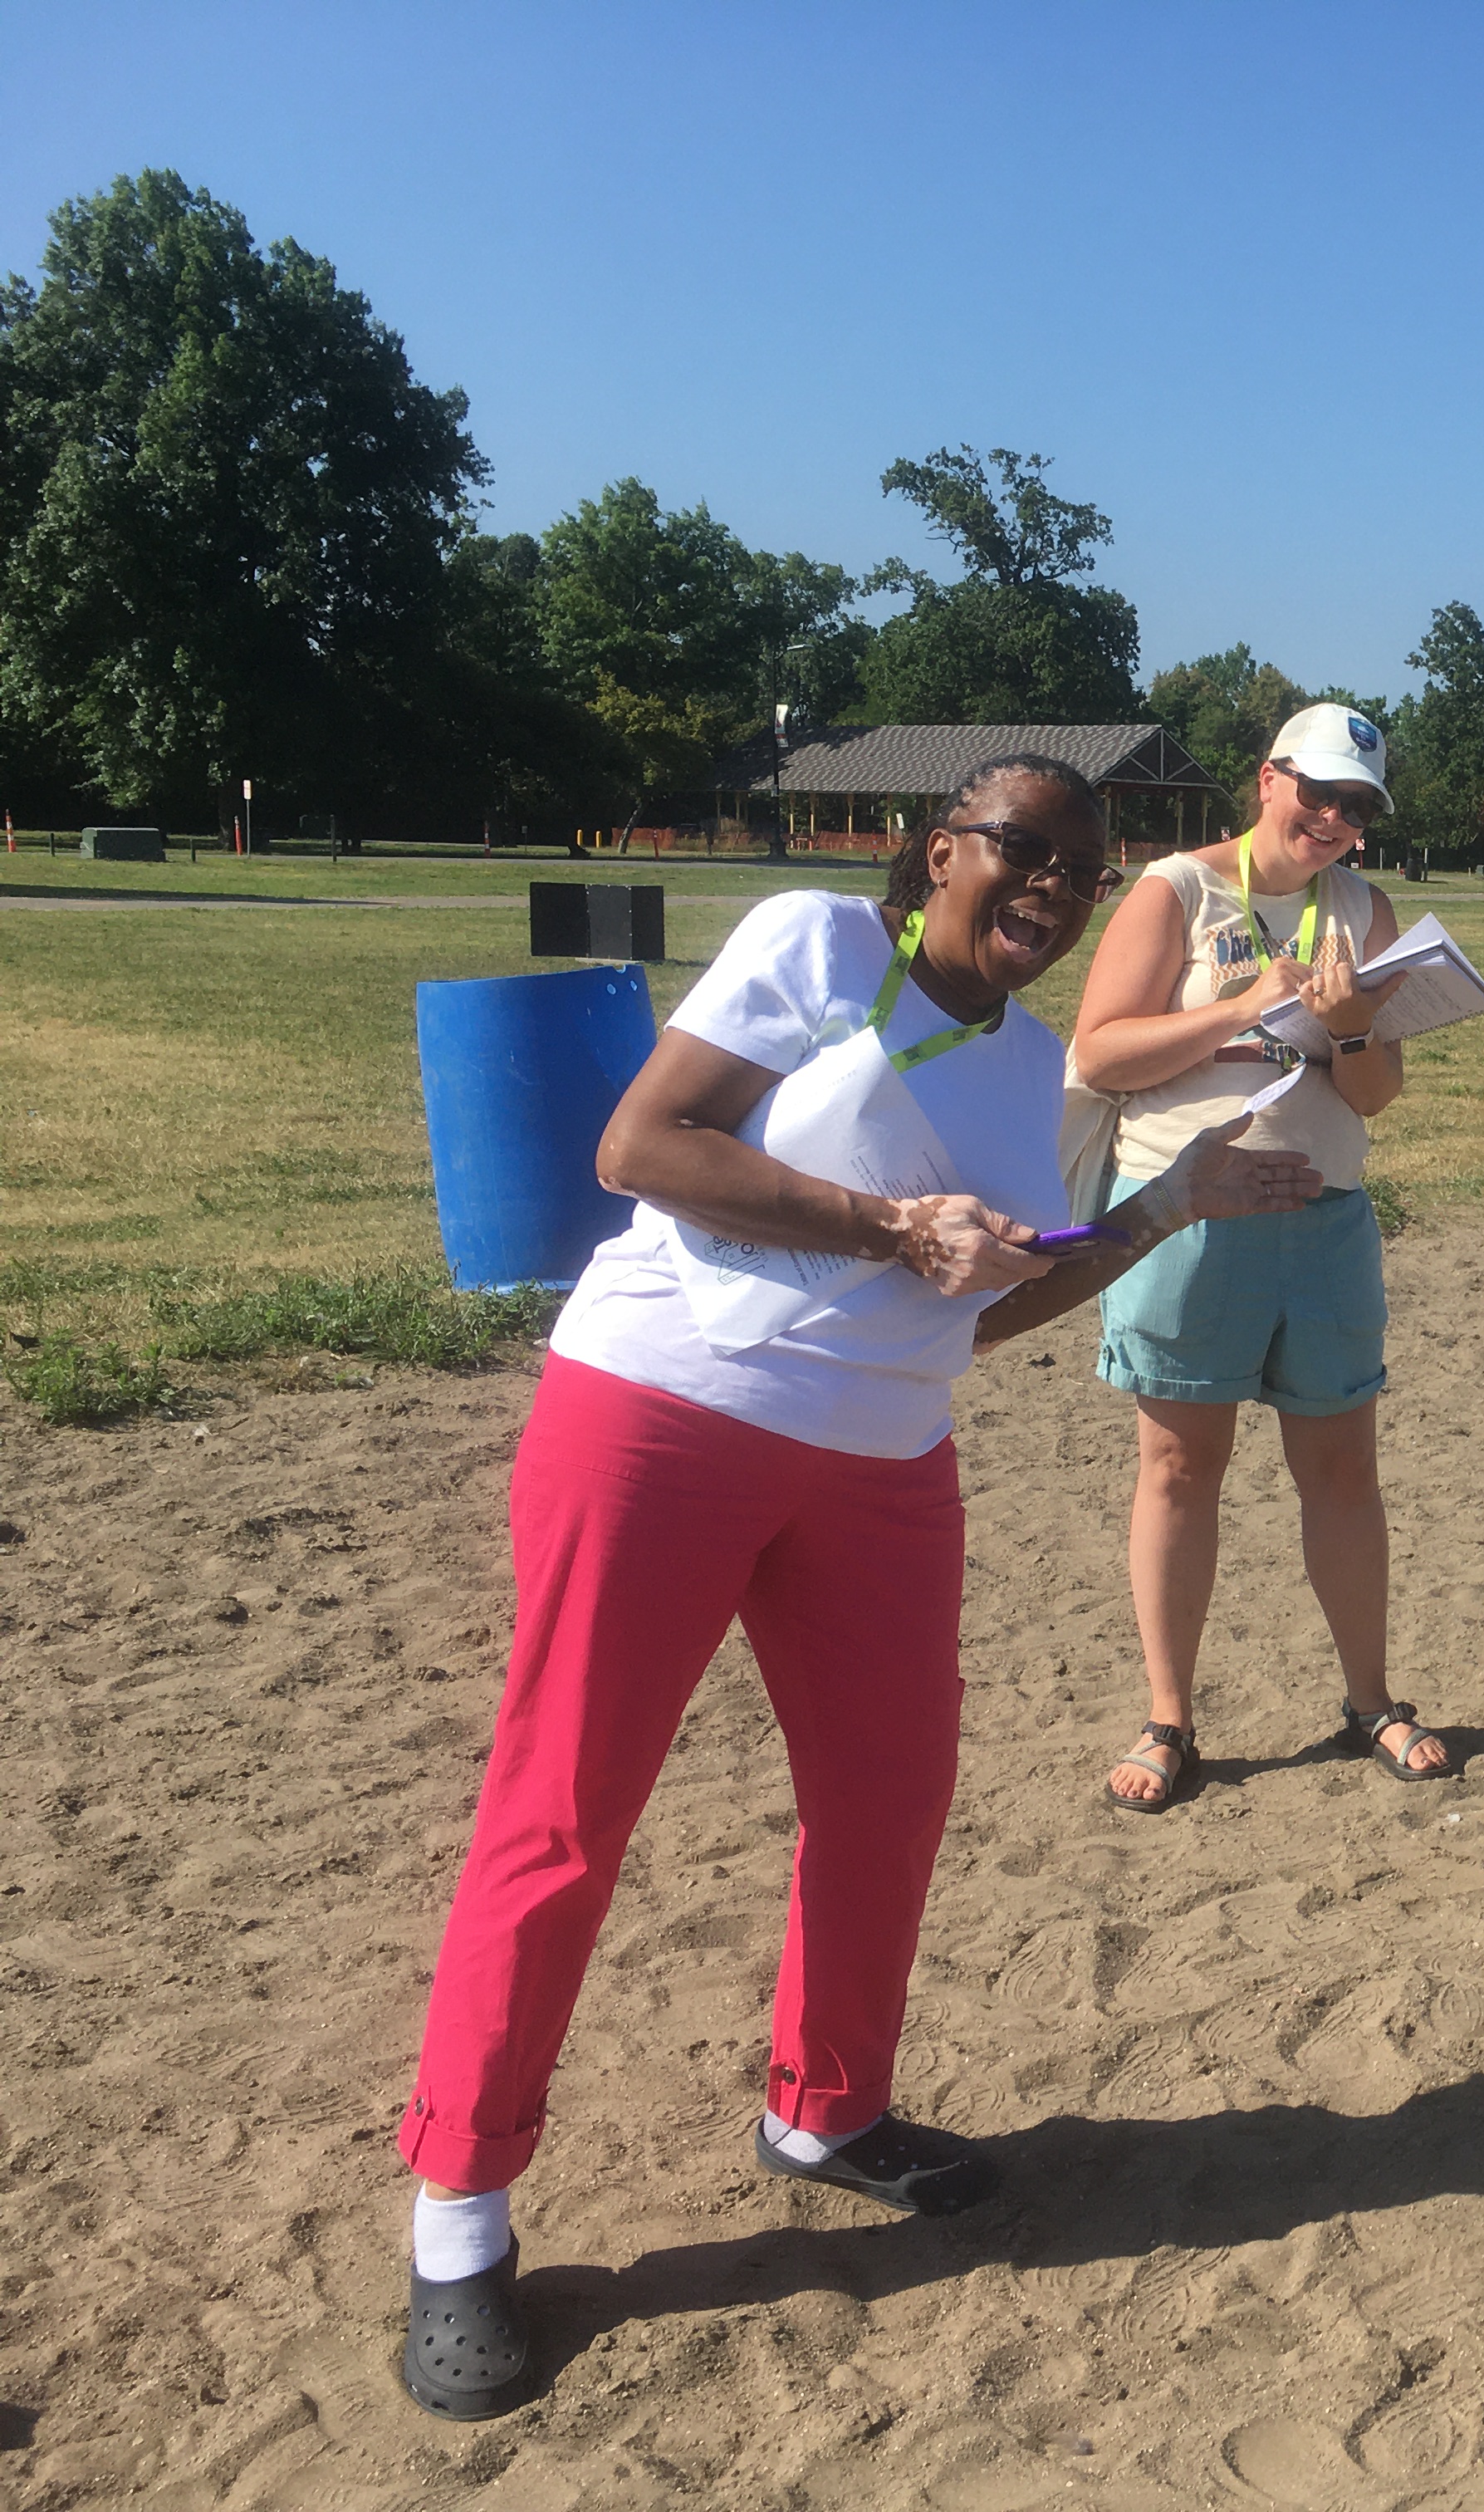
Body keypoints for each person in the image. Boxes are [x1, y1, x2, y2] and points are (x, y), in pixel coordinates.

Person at [394, 757, 1320, 2421]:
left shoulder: (1039, 1075)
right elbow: (639, 1144)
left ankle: (825, 2109)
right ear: (939, 848)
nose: (1049, 885)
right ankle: (459, 2213)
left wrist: (1164, 1204)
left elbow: (986, 1301)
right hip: (661, 1418)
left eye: (1081, 871)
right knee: (565, 1813)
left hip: (885, 1456)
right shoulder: (823, 944)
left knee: (888, 1798)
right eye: (1022, 850)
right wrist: (885, 1224)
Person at [1070, 703, 1450, 1809]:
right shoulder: (1176, 891)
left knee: (1342, 1472)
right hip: (1189, 1219)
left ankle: (1370, 1700)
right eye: (1315, 793)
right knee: (1182, 1468)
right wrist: (1244, 1005)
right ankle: (1170, 1718)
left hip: (1325, 1221)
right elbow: (1099, 1053)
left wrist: (1345, 1027)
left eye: (1355, 806)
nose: (1330, 819)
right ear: (1266, 780)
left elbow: (1376, 1091)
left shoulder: (1361, 911)